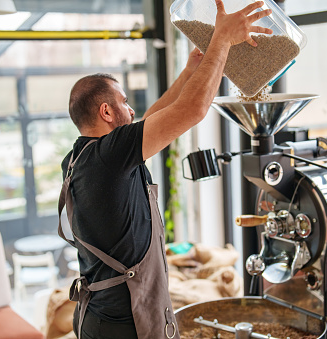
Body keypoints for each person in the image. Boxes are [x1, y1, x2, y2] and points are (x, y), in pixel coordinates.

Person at [58, 1, 273, 338]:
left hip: (99, 317)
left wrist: (190, 72)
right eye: (124, 103)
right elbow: (193, 109)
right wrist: (223, 40)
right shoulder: (109, 155)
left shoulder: (83, 157)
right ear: (106, 111)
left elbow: (153, 120)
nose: (131, 110)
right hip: (124, 326)